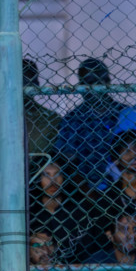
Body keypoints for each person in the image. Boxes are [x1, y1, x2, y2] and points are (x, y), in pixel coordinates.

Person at [55, 58, 124, 188]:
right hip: (85, 191)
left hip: (125, 187)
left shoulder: (125, 114)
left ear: (108, 82)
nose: (90, 88)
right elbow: (66, 160)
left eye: (95, 82)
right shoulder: (73, 119)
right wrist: (85, 190)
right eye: (85, 83)